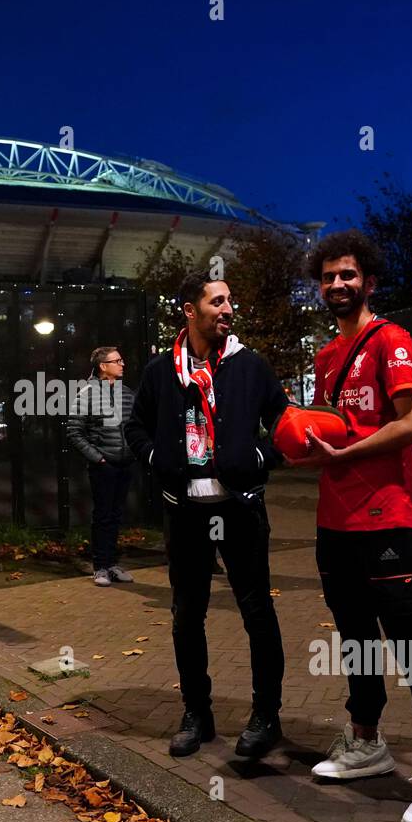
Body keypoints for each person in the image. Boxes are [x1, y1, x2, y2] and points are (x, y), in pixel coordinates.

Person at [290, 229, 412, 822]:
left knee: (411, 640)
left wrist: (346, 453)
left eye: (348, 275)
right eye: (328, 277)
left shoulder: (389, 338)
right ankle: (366, 740)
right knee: (354, 635)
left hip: (388, 515)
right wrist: (312, 449)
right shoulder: (323, 357)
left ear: (368, 281)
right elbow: (338, 428)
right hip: (334, 518)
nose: (337, 285)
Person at [124, 271, 290, 759]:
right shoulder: (160, 371)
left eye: (230, 301)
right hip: (185, 512)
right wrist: (157, 460)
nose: (228, 310)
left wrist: (258, 460)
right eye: (217, 302)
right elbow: (136, 426)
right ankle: (197, 713)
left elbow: (284, 423)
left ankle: (266, 717)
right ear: (189, 310)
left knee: (258, 613)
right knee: (185, 616)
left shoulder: (250, 366)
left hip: (239, 510)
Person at [66, 346, 135, 586]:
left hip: (125, 463)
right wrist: (99, 459)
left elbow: (135, 427)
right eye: (117, 360)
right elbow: (74, 432)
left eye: (122, 359)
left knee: (116, 516)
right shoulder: (87, 393)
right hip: (104, 466)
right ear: (103, 366)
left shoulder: (127, 393)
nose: (122, 364)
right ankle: (101, 568)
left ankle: (112, 564)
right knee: (103, 516)